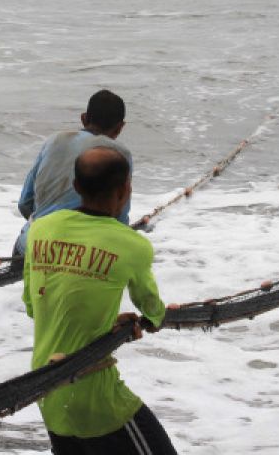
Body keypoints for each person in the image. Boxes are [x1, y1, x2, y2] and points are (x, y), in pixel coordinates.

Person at [23, 146, 176, 455]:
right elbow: (153, 311)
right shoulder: (132, 245)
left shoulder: (39, 230)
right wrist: (143, 320)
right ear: (126, 190)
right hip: (97, 398)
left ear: (76, 187)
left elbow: (31, 304)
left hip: (46, 388)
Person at [13, 89, 131, 257]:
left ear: (84, 118)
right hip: (82, 257)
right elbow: (119, 217)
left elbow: (25, 203)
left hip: (30, 247)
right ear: (120, 127)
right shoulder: (120, 155)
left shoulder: (54, 140)